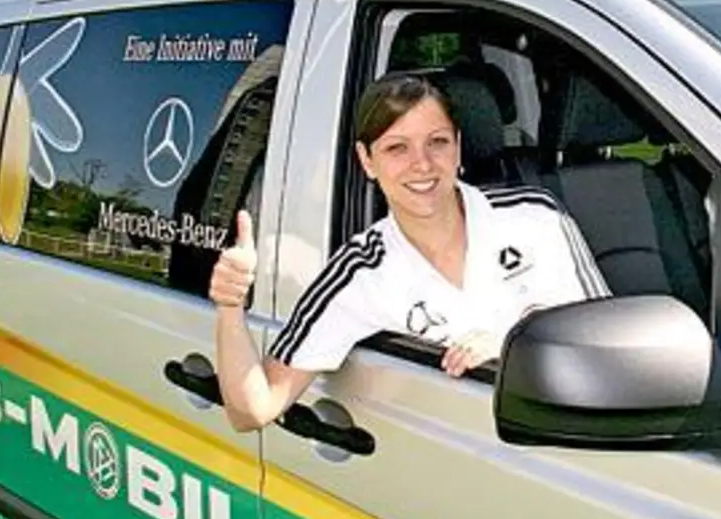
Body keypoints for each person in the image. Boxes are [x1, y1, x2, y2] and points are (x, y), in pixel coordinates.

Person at [208, 71, 611, 432]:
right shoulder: (360, 272)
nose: (422, 165)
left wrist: (513, 343)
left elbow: (609, 344)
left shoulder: (535, 215)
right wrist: (229, 306)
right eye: (396, 148)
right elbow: (253, 411)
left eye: (436, 142)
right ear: (367, 161)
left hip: (569, 448)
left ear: (458, 147)